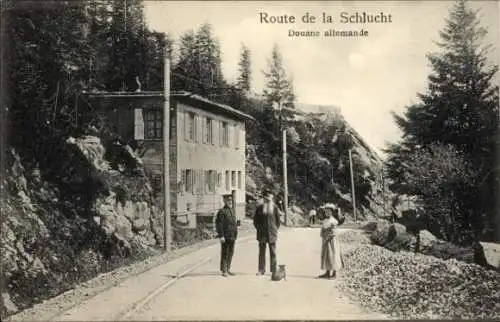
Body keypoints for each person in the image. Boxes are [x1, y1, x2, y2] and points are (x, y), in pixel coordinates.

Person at [253, 190, 281, 276]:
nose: (268, 199)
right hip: (262, 234)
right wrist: (259, 229)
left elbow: (278, 222)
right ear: (264, 198)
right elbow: (255, 221)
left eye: (270, 197)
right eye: (266, 197)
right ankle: (261, 270)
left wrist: (274, 229)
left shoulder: (275, 208)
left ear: (272, 198)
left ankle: (273, 270)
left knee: (273, 252)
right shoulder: (260, 208)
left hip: (272, 233)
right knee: (262, 252)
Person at [215, 194, 238, 277]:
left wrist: (235, 234)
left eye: (231, 200)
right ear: (224, 201)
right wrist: (221, 236)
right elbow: (219, 224)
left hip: (232, 235)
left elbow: (234, 224)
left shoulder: (232, 210)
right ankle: (224, 270)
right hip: (225, 236)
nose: (230, 201)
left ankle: (228, 269)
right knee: (225, 253)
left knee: (231, 252)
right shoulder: (222, 211)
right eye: (228, 200)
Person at [318, 206, 343, 279]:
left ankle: (334, 273)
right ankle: (327, 272)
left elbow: (333, 232)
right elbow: (322, 230)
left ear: (331, 212)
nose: (327, 213)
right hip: (325, 240)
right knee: (326, 255)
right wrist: (323, 235)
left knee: (333, 255)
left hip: (332, 240)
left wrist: (327, 237)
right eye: (326, 211)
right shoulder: (325, 220)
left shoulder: (333, 221)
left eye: (328, 211)